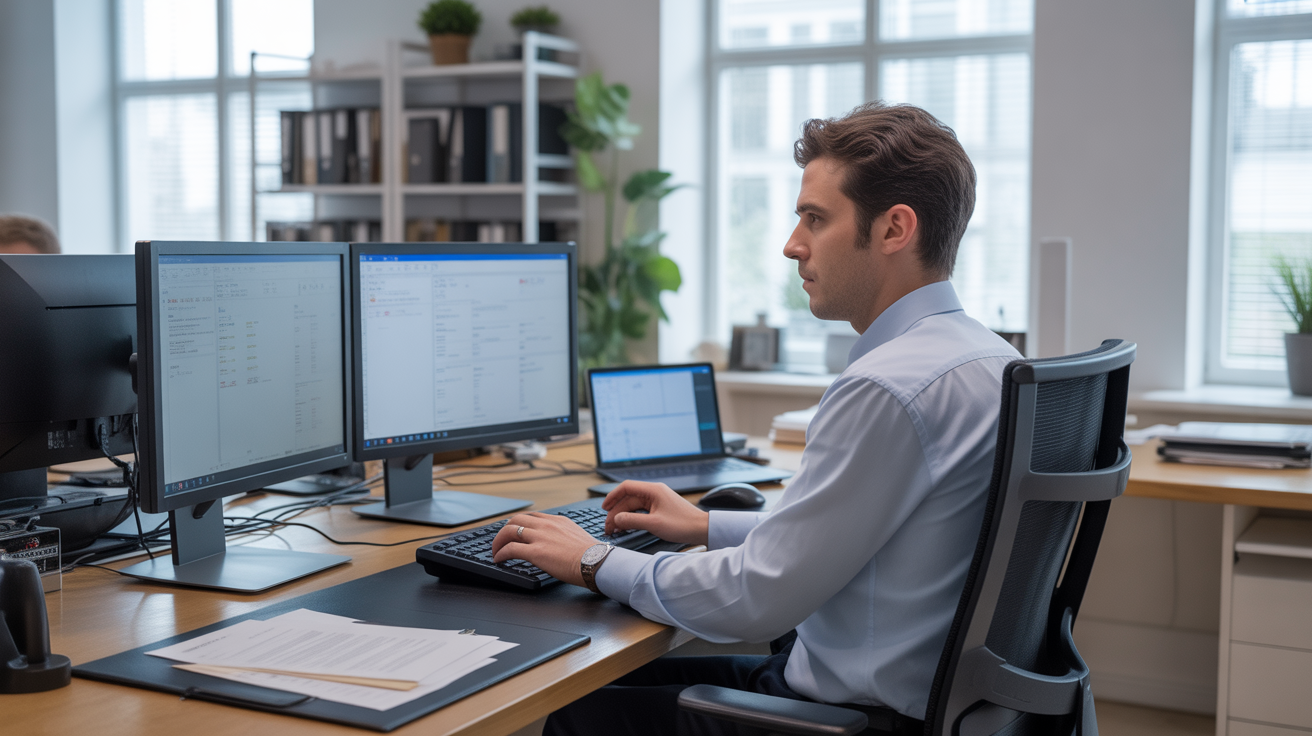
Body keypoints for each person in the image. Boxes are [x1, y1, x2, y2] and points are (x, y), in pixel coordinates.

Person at [490, 102, 1022, 736]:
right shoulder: (992, 358)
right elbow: (860, 537)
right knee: (607, 682)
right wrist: (706, 524)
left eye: (815, 219)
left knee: (583, 712)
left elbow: (758, 599)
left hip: (855, 719)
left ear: (894, 229)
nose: (793, 244)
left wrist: (594, 561)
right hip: (943, 708)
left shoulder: (887, 387)